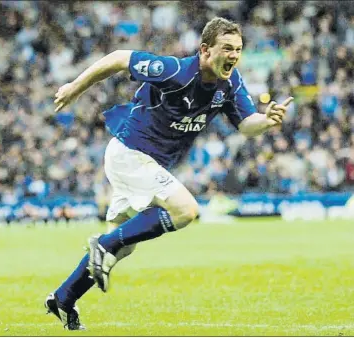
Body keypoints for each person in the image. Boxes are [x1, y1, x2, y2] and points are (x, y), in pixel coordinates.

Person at [45, 17, 293, 330]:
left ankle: (64, 297)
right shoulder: (175, 71)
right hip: (130, 154)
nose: (233, 55)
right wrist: (74, 88)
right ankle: (104, 245)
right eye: (227, 48)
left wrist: (267, 120)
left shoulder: (230, 84)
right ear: (205, 50)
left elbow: (246, 125)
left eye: (238, 49)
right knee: (185, 210)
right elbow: (120, 58)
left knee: (123, 246)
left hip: (146, 163)